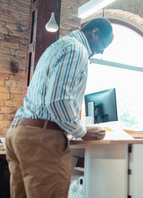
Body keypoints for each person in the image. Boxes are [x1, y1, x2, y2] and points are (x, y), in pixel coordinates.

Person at [5, 17, 114, 198]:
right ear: (94, 33)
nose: (102, 50)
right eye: (104, 44)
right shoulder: (77, 49)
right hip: (42, 138)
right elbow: (58, 101)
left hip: (19, 133)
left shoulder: (57, 46)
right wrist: (81, 131)